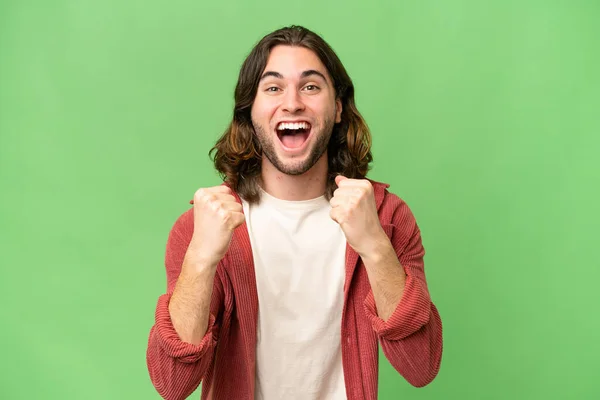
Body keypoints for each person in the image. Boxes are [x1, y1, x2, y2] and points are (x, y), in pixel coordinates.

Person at [146, 25, 443, 400]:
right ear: (249, 112)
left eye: (311, 86)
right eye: (273, 88)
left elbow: (421, 366)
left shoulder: (386, 216)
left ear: (337, 108)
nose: (292, 103)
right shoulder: (202, 226)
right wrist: (201, 259)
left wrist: (375, 247)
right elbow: (172, 385)